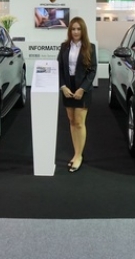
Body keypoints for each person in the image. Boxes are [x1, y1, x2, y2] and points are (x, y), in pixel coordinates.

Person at [57, 17, 97, 173]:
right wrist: (63, 87)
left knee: (79, 122)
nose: (75, 32)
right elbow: (59, 68)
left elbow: (92, 71)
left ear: (83, 30)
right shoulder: (64, 47)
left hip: (82, 88)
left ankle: (79, 155)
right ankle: (76, 153)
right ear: (69, 31)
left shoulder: (90, 47)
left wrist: (82, 89)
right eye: (73, 29)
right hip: (68, 87)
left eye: (78, 29)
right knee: (72, 121)